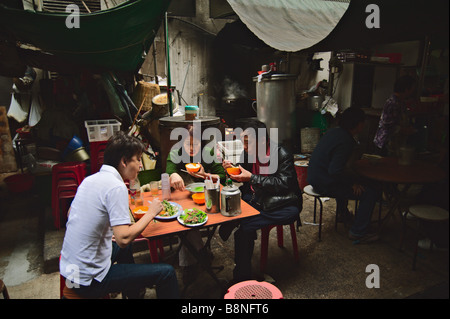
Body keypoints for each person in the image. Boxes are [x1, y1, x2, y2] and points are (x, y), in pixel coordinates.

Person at [60, 131, 179, 299]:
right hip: (88, 280)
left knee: (122, 246)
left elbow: (70, 213)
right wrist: (151, 213)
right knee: (167, 273)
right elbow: (123, 238)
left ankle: (133, 293)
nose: (140, 166)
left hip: (71, 270)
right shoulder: (116, 186)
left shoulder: (90, 179)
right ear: (123, 161)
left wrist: (106, 234)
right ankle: (133, 289)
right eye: (137, 160)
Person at [221, 119, 302, 282]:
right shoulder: (249, 151)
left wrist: (252, 177)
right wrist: (231, 169)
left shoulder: (281, 153)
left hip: (284, 201)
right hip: (258, 196)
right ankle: (240, 221)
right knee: (232, 205)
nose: (244, 146)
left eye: (247, 142)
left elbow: (284, 184)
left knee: (244, 229)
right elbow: (242, 173)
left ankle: (241, 278)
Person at [307, 107, 381, 242]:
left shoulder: (334, 132)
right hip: (323, 182)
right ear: (358, 124)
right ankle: (358, 231)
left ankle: (343, 214)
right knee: (370, 193)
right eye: (363, 122)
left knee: (348, 180)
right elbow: (335, 171)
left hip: (314, 176)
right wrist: (352, 183)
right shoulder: (346, 140)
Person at [166, 125, 226, 285]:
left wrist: (206, 174)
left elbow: (222, 176)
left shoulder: (209, 153)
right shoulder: (176, 152)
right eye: (188, 144)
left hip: (205, 197)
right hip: (185, 196)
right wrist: (174, 175)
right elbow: (169, 169)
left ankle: (195, 257)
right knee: (185, 221)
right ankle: (196, 257)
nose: (191, 148)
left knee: (189, 222)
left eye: (196, 144)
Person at [373, 75, 416, 155]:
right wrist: (405, 130)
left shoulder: (401, 102)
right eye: (412, 89)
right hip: (386, 144)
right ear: (406, 89)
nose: (413, 91)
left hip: (395, 143)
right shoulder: (393, 103)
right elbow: (387, 125)